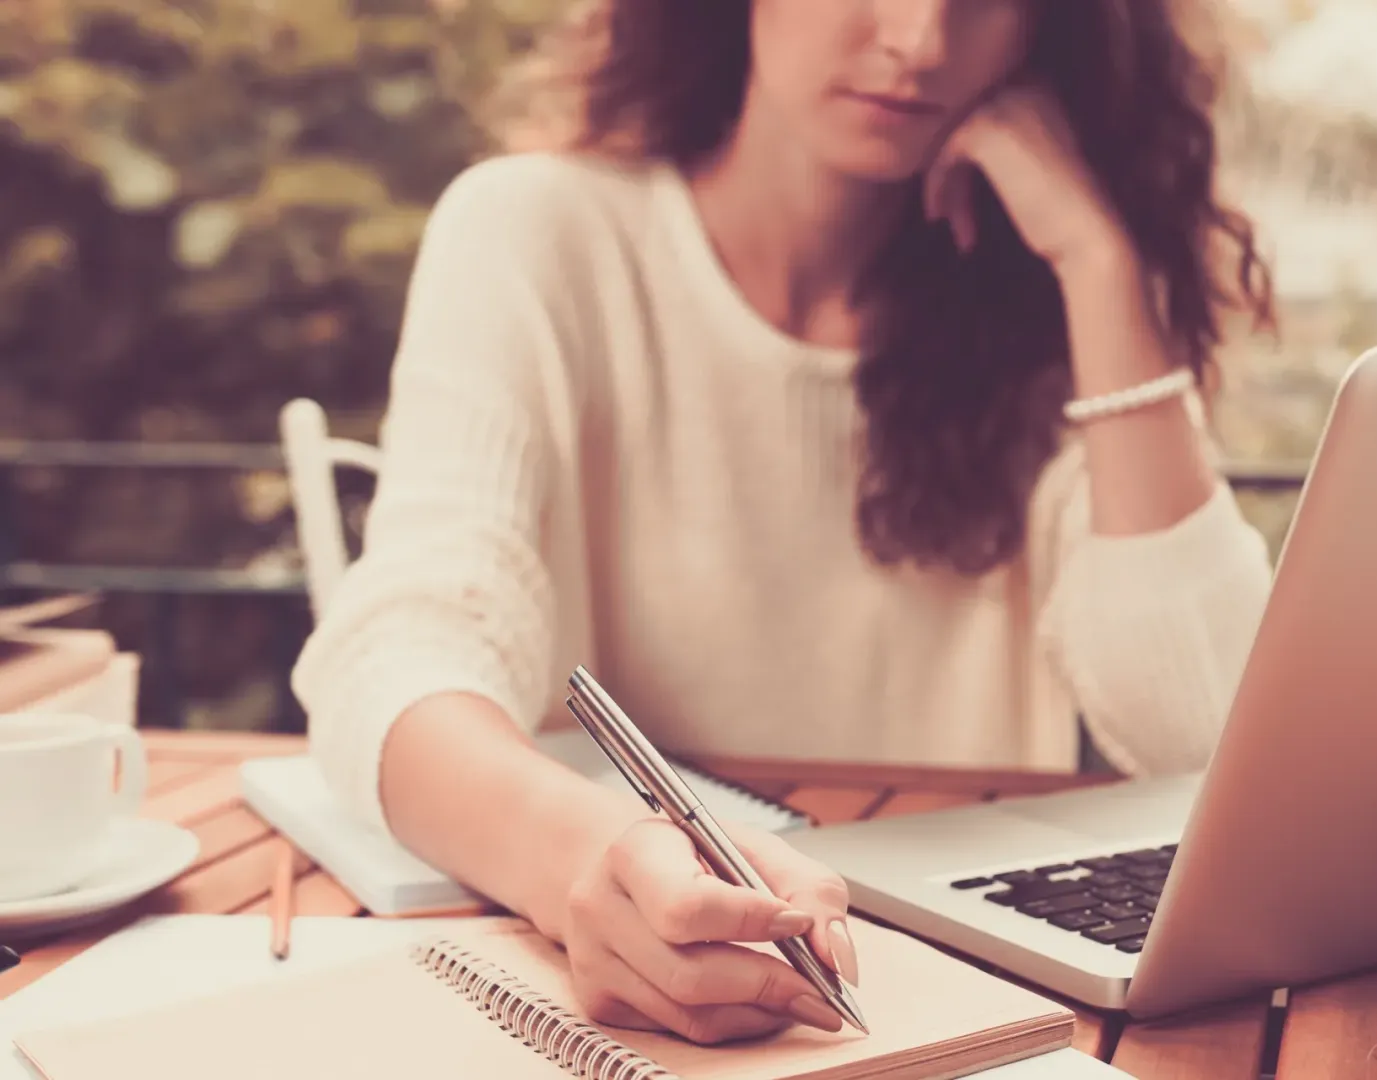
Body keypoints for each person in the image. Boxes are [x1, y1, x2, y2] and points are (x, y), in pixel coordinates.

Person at [291, 0, 1277, 1048]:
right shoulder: (535, 232)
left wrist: (1097, 260)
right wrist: (586, 855)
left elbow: (1214, 732)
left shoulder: (1053, 298)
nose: (920, 41)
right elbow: (397, 655)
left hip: (952, 988)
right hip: (628, 978)